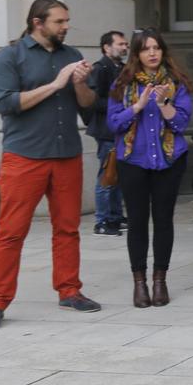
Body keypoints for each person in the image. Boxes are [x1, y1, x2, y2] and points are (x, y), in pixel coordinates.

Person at [0, 0, 100, 332]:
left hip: (66, 154)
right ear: (37, 22)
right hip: (24, 156)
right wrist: (55, 84)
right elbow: (7, 104)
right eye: (59, 22)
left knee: (68, 228)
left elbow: (88, 106)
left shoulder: (71, 56)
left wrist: (77, 85)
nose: (66, 27)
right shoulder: (10, 56)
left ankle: (70, 290)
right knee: (11, 232)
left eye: (66, 21)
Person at [106, 29, 193, 309]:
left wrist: (163, 102)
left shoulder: (176, 82)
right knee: (138, 222)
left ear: (163, 51)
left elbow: (181, 124)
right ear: (137, 54)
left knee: (164, 220)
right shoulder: (122, 83)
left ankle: (160, 280)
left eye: (156, 48)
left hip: (169, 161)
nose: (152, 53)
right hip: (133, 161)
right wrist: (139, 105)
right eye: (146, 49)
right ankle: (139, 282)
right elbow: (114, 123)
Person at [84, 30, 128, 236]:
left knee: (117, 176)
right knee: (106, 176)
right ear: (106, 47)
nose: (124, 47)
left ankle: (115, 217)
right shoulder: (100, 69)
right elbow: (93, 100)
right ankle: (102, 221)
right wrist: (118, 106)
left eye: (125, 44)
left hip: (119, 130)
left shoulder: (122, 68)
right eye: (120, 44)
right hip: (106, 130)